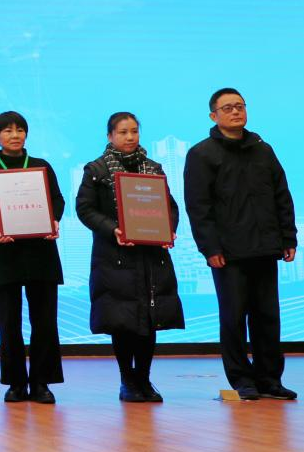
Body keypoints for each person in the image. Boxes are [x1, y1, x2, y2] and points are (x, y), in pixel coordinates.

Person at [184, 88, 297, 400]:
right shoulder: (202, 154)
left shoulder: (263, 149)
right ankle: (241, 379)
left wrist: (288, 237)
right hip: (229, 252)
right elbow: (198, 206)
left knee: (268, 317)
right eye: (228, 108)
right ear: (214, 115)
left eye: (240, 106)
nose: (235, 112)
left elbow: (282, 195)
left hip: (266, 247)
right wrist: (210, 248)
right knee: (234, 318)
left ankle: (270, 379)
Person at [76, 112, 184, 402]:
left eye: (134, 131)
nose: (130, 137)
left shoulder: (153, 168)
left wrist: (168, 230)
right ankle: (127, 381)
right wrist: (113, 229)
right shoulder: (96, 170)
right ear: (110, 136)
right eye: (123, 132)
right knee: (122, 321)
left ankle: (144, 380)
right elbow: (85, 209)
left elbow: (170, 207)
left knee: (150, 319)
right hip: (116, 257)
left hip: (151, 256)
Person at [0, 111, 66, 404]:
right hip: (4, 252)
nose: (15, 135)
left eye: (20, 129)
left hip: (41, 251)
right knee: (9, 323)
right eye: (8, 130)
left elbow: (57, 199)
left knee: (44, 321)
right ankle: (15, 384)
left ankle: (41, 383)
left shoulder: (41, 166)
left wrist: (54, 220)